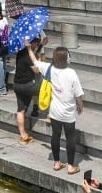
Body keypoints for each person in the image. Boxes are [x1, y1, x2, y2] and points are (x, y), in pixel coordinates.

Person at [29, 46, 84, 175]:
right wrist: (80, 106)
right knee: (70, 138)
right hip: (68, 112)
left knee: (56, 136)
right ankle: (71, 166)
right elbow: (79, 94)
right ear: (67, 59)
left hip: (54, 111)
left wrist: (28, 48)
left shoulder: (49, 68)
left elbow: (35, 62)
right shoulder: (71, 73)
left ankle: (57, 162)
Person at [14, 34, 44, 145]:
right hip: (28, 86)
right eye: (36, 42)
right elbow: (37, 70)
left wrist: (40, 46)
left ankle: (23, 136)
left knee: (21, 110)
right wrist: (40, 58)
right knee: (49, 90)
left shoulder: (21, 52)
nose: (37, 44)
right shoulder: (27, 54)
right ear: (31, 43)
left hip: (17, 85)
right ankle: (52, 114)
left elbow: (32, 55)